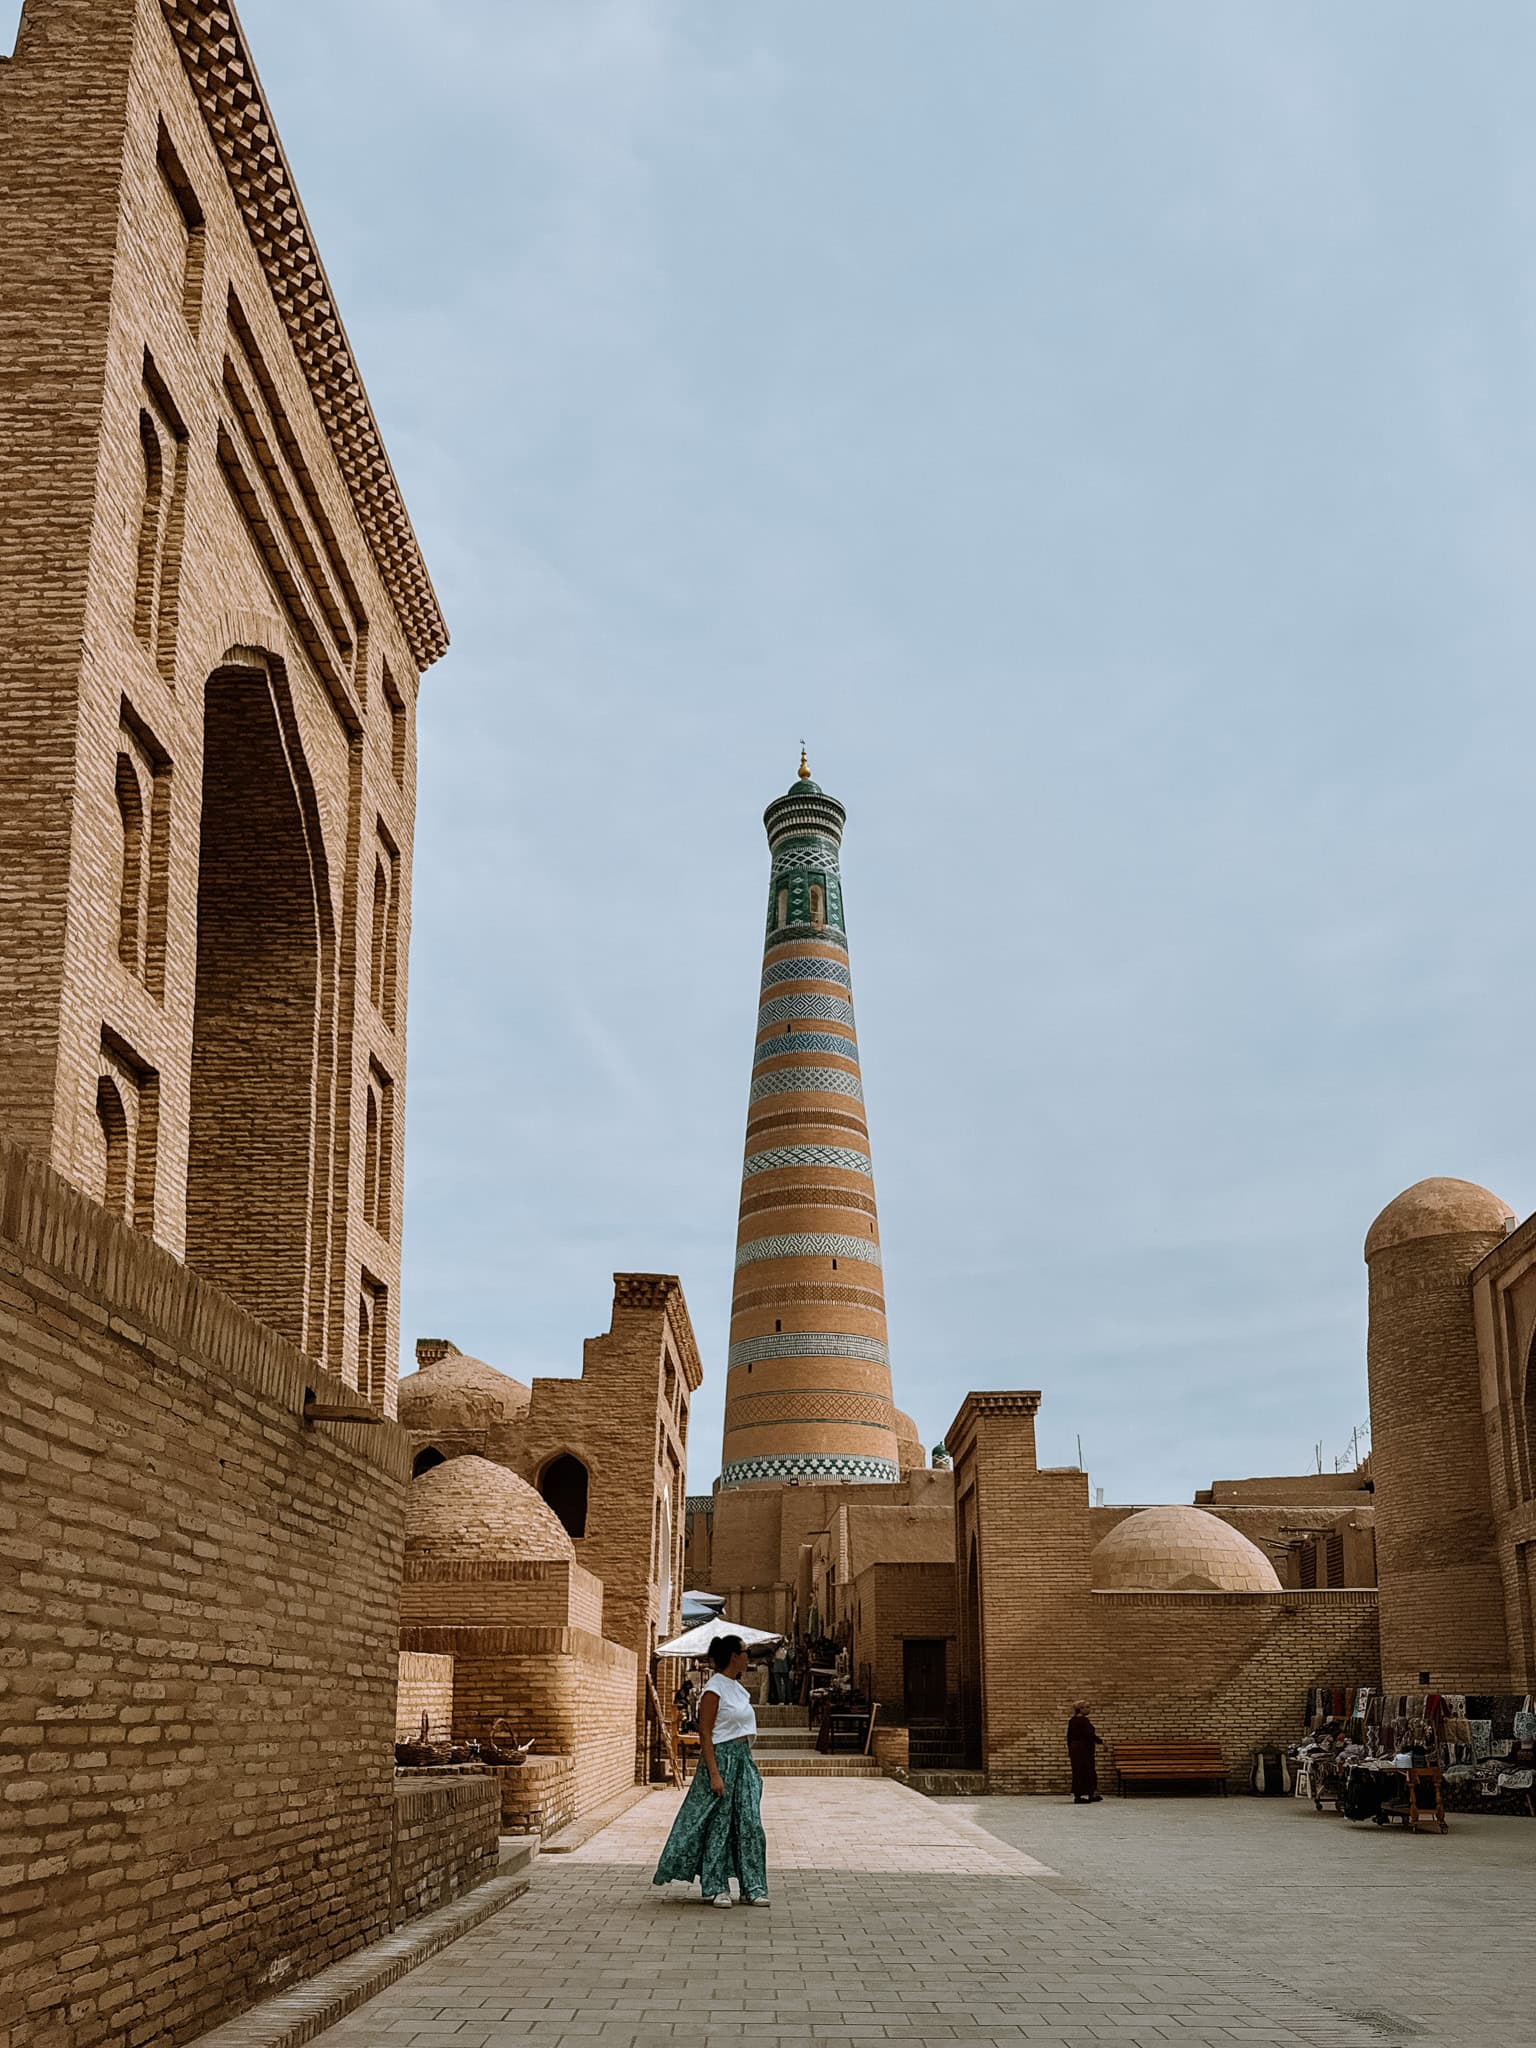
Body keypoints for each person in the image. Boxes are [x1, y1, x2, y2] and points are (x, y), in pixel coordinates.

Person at [652, 1634, 769, 1908]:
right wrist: (714, 1773)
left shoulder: (738, 1688)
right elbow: (705, 1732)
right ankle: (716, 1886)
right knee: (719, 1824)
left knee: (750, 1824)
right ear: (732, 1656)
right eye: (744, 1652)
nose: (747, 1657)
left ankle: (753, 1885)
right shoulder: (714, 1689)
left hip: (742, 1759)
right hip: (720, 1759)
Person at [1067, 1701, 1103, 1803]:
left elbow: (1069, 1737)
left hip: (1076, 1750)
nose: (1089, 1709)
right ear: (1081, 1709)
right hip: (1083, 1750)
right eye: (1087, 1707)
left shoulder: (1072, 1721)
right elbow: (1089, 1735)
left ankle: (1085, 1795)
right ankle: (1083, 1796)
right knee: (1087, 1771)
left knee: (1080, 1771)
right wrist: (1101, 1742)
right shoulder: (1083, 1721)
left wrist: (1070, 1749)